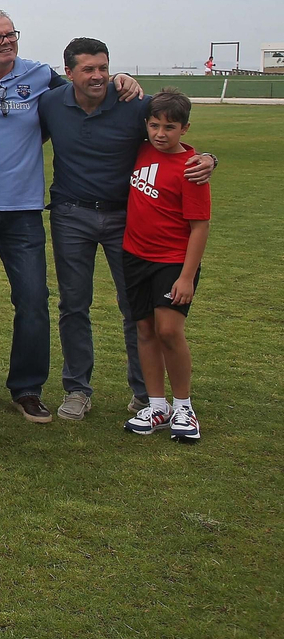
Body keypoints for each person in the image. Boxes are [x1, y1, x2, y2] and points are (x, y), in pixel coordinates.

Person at [0, 9, 140, 422]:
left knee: (33, 300)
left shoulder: (39, 76)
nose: (6, 42)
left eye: (11, 34)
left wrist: (122, 79)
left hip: (24, 211)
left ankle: (28, 387)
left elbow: (85, 89)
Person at [39, 38, 216, 421]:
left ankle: (147, 395)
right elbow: (16, 139)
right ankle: (77, 390)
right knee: (74, 304)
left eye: (104, 67)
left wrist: (208, 158)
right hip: (71, 214)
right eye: (88, 69)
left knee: (136, 310)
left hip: (126, 218)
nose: (99, 76)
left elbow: (170, 133)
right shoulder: (51, 103)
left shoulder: (134, 103)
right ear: (68, 73)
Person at [123, 89, 211, 443]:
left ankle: (184, 406)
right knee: (144, 330)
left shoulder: (191, 169)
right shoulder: (141, 151)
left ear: (185, 129)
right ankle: (157, 404)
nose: (161, 133)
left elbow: (200, 226)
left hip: (173, 261)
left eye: (170, 127)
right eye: (155, 125)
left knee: (170, 331)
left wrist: (187, 277)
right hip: (135, 257)